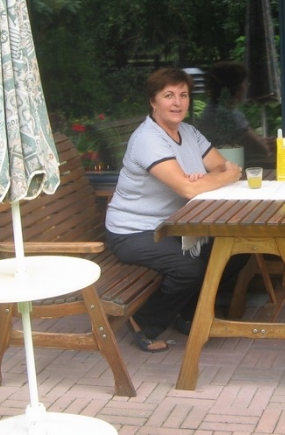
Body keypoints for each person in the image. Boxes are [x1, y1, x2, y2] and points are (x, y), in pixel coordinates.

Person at [105, 67, 246, 353]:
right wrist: (218, 177)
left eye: (183, 95)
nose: (177, 102)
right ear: (153, 102)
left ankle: (186, 312)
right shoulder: (148, 139)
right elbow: (195, 186)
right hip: (133, 232)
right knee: (188, 268)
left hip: (175, 225)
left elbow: (219, 165)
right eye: (168, 95)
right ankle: (144, 322)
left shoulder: (189, 133)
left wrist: (208, 178)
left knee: (236, 251)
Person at [197, 61, 273, 156]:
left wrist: (261, 141)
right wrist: (265, 144)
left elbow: (248, 142)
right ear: (239, 89)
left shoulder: (215, 109)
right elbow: (261, 150)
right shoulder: (226, 117)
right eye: (245, 84)